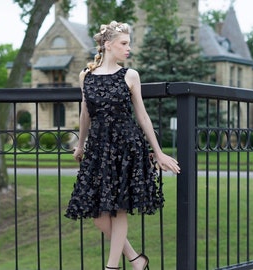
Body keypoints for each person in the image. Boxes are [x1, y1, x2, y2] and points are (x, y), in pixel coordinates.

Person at [65, 21, 180, 270]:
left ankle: (111, 267)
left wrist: (158, 151)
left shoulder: (130, 75)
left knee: (119, 209)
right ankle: (137, 259)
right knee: (99, 217)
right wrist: (81, 145)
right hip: (98, 149)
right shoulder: (86, 75)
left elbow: (143, 116)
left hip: (127, 147)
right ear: (108, 45)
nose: (129, 48)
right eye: (124, 43)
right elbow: (85, 113)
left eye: (129, 44)